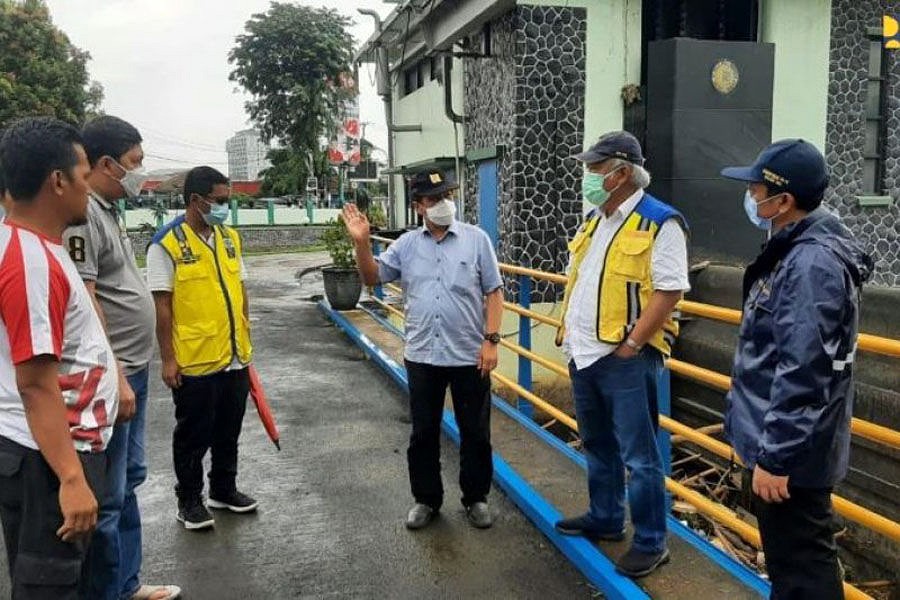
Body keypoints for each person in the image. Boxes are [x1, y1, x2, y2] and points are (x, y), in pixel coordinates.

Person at [721, 139, 872, 600]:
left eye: (757, 188)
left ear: (783, 201)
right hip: (787, 444)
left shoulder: (810, 264)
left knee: (804, 570)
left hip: (793, 455)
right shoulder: (795, 249)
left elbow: (804, 370)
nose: (751, 196)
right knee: (793, 568)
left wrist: (777, 458)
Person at [553, 131, 689, 578]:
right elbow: (583, 280)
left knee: (640, 455)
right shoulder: (596, 220)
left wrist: (632, 345)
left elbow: (668, 291)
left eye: (596, 170)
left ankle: (652, 541)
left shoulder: (660, 222)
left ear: (622, 172)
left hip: (624, 357)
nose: (589, 177)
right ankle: (607, 517)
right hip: (585, 354)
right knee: (597, 443)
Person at [343, 169, 503, 530]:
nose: (444, 204)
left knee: (476, 432)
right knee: (423, 433)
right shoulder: (407, 245)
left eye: (447, 196)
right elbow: (372, 278)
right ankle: (426, 500)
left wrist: (491, 340)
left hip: (468, 356)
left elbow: (494, 291)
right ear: (418, 207)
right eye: (433, 199)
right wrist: (362, 243)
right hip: (422, 356)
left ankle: (475, 497)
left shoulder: (477, 240)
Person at [62, 116, 180, 600]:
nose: (140, 173)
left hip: (134, 367)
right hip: (114, 374)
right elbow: (87, 299)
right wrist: (114, 375)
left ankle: (126, 583)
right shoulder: (83, 214)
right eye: (134, 163)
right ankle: (107, 592)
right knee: (107, 498)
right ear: (106, 163)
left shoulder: (107, 210)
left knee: (128, 480)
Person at [0, 116, 117, 599]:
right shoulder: (30, 263)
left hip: (52, 448)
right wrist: (70, 478)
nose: (88, 189)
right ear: (58, 181)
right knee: (49, 586)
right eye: (85, 176)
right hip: (48, 459)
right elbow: (35, 384)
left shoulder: (34, 246)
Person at [147, 166, 257, 531]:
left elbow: (240, 288)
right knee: (193, 435)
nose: (226, 206)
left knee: (229, 429)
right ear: (197, 200)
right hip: (195, 360)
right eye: (221, 200)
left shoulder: (228, 237)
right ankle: (189, 500)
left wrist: (245, 337)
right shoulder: (166, 244)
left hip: (234, 356)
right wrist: (167, 359)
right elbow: (162, 305)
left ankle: (223, 489)